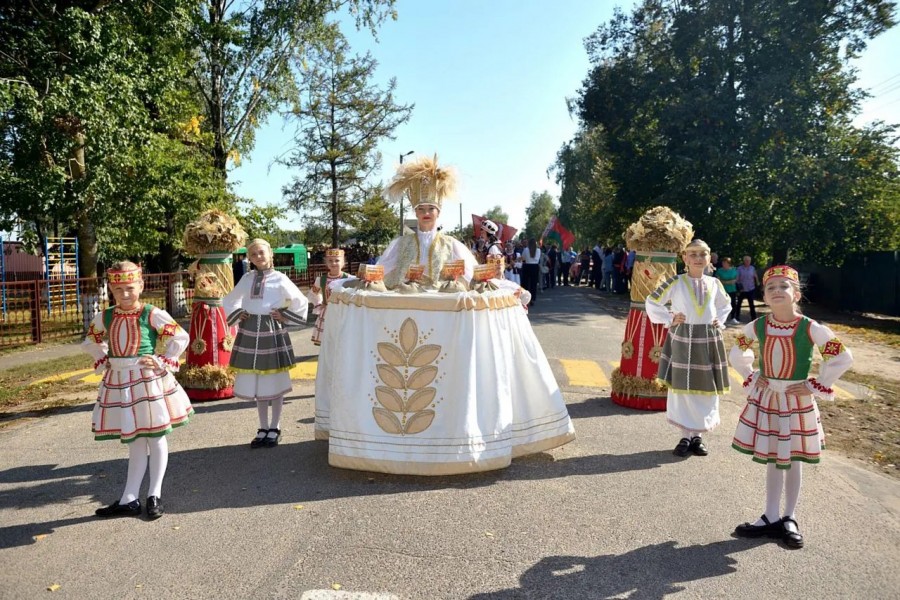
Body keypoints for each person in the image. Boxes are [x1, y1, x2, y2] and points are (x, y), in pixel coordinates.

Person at [730, 266, 853, 549]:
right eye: (770, 287)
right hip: (769, 398)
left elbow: (843, 358)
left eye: (783, 286)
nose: (776, 291)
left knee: (793, 458)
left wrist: (815, 384)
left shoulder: (810, 327)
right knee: (774, 456)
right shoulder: (759, 325)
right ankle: (770, 516)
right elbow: (738, 350)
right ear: (764, 295)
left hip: (796, 400)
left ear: (796, 294)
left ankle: (789, 517)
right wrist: (753, 374)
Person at [82, 261, 193, 520]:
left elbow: (180, 336)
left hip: (147, 379)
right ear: (111, 288)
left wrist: (161, 359)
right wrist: (104, 356)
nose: (125, 294)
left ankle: (154, 493)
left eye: (130, 288)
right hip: (120, 381)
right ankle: (129, 498)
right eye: (119, 289)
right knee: (134, 440)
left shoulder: (151, 313)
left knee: (155, 437)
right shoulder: (106, 316)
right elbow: (90, 340)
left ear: (141, 285)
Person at [645, 239, 732, 457]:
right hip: (683, 337)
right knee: (682, 387)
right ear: (685, 258)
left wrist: (719, 322)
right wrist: (669, 317)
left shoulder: (714, 284)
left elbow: (725, 305)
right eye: (693, 254)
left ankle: (698, 437)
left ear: (709, 257)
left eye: (702, 254)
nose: (698, 258)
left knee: (706, 387)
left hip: (708, 340)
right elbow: (652, 301)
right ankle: (685, 436)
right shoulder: (676, 282)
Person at [224, 238, 309, 449]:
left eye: (261, 253)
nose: (258, 257)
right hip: (251, 331)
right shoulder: (247, 278)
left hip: (271, 331)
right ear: (249, 258)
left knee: (275, 379)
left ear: (270, 254)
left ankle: (275, 426)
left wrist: (284, 315)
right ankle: (262, 427)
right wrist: (239, 313)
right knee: (258, 381)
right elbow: (230, 299)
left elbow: (300, 301)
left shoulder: (280, 278)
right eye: (253, 254)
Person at [379, 155, 477, 288]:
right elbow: (381, 270)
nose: (426, 213)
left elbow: (472, 275)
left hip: (439, 305)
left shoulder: (450, 245)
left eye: (431, 208)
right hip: (408, 303)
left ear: (438, 212)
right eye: (421, 209)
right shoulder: (401, 244)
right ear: (416, 212)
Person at [308, 248, 352, 346]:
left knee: (343, 340)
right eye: (330, 261)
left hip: (343, 312)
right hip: (328, 313)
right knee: (328, 341)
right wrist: (319, 304)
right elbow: (313, 294)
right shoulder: (321, 279)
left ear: (343, 262)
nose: (334, 263)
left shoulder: (349, 279)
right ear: (326, 263)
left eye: (337, 260)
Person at [715, 257, 740, 325]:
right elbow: (719, 281)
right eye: (723, 263)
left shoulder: (734, 270)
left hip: (732, 289)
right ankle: (722, 319)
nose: (724, 264)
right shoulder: (719, 271)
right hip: (723, 291)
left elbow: (736, 280)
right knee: (722, 304)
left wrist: (725, 281)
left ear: (729, 263)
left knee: (733, 304)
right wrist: (728, 281)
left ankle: (733, 318)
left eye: (725, 263)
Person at [736, 255, 760, 322]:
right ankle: (737, 317)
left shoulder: (752, 268)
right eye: (746, 260)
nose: (747, 262)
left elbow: (755, 276)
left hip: (751, 288)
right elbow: (737, 278)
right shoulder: (739, 268)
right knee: (739, 304)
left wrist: (757, 282)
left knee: (751, 304)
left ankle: (753, 318)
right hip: (742, 289)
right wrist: (738, 286)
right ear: (744, 261)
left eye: (749, 261)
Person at [520, 238, 541, 306]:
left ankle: (525, 299)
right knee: (533, 284)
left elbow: (523, 258)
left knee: (525, 283)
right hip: (535, 266)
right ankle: (533, 299)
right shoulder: (538, 250)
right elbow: (537, 259)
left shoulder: (526, 249)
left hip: (527, 266)